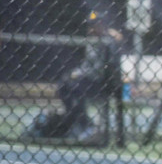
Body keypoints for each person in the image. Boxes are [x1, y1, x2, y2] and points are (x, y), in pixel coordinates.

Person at [24, 11, 122, 143]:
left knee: (74, 85)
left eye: (94, 25)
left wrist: (80, 74)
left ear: (101, 24)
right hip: (89, 78)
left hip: (102, 82)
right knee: (64, 84)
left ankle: (85, 126)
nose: (91, 29)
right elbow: (87, 64)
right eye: (90, 25)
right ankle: (80, 122)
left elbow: (101, 68)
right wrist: (76, 73)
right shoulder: (92, 41)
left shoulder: (109, 41)